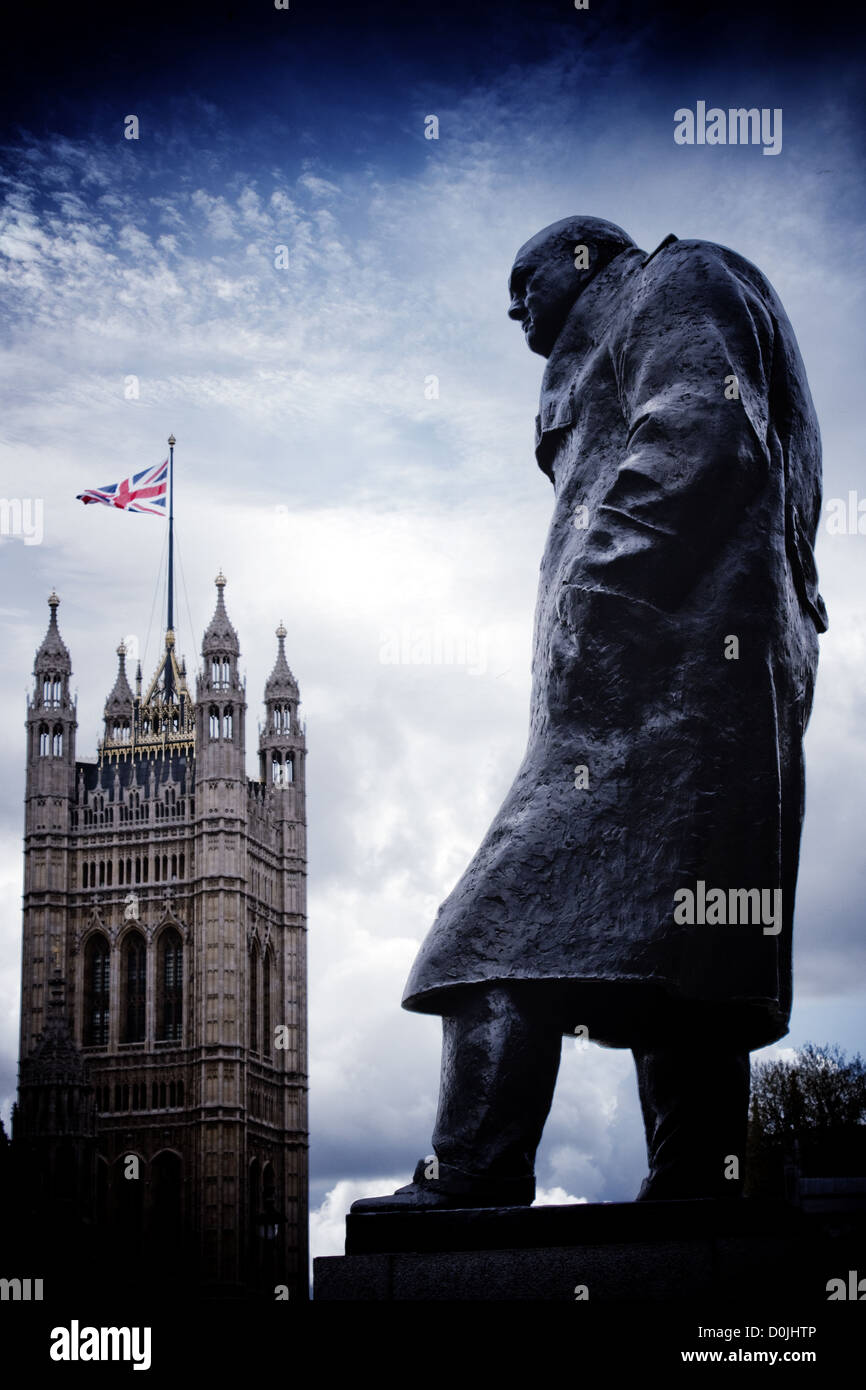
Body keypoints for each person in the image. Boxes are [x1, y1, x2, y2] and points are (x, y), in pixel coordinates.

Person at [354, 217, 827, 1212]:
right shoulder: (677, 302)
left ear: (582, 260)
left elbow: (701, 434)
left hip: (653, 684)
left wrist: (592, 598)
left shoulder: (671, 282)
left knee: (489, 933)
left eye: (522, 280)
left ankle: (475, 1171)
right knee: (683, 959)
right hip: (706, 691)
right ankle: (697, 1179)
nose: (511, 304)